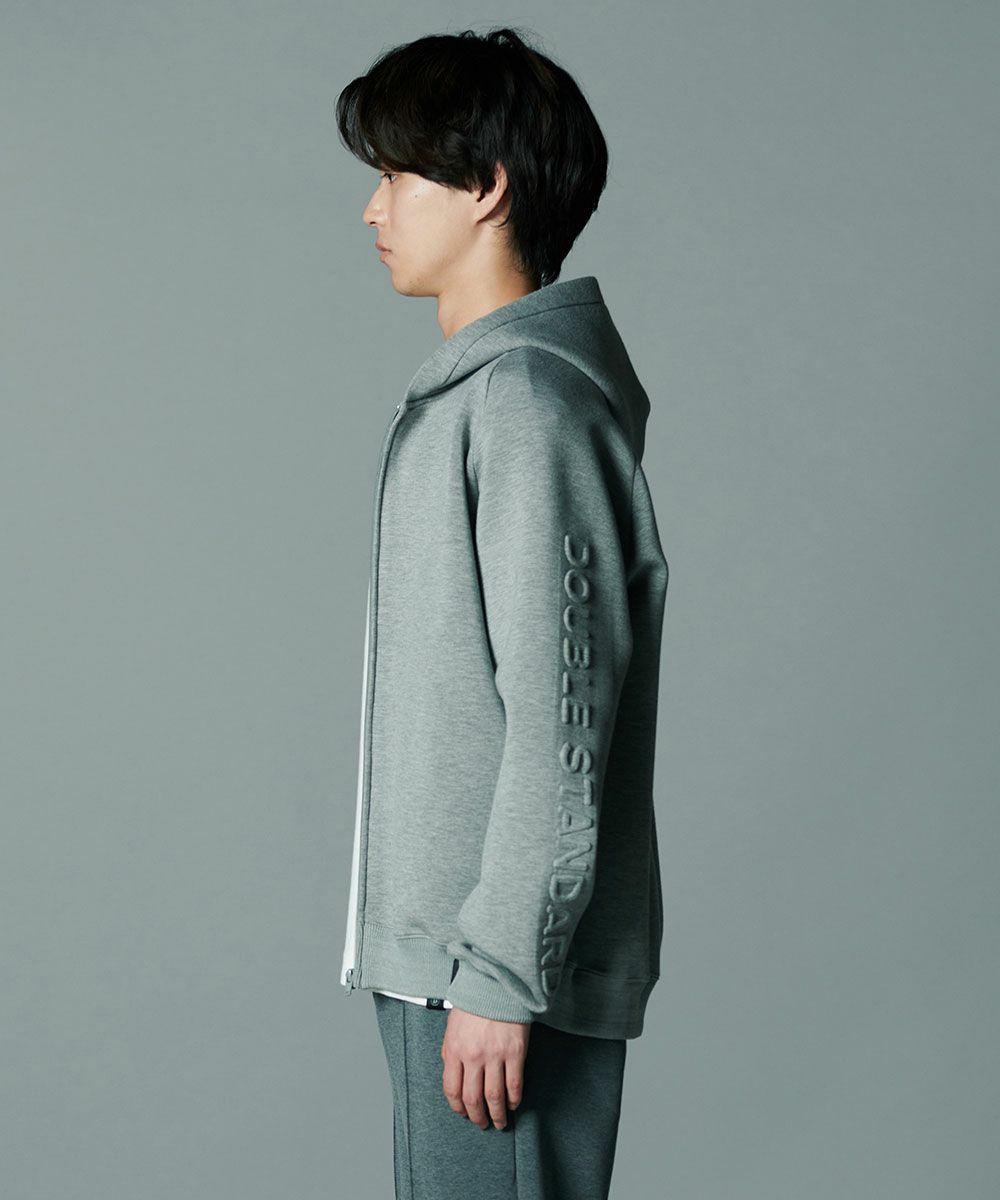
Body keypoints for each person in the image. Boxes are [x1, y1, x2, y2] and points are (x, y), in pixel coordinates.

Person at [335, 26, 669, 1200]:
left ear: (484, 187)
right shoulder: (478, 398)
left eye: (397, 173)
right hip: (454, 966)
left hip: (493, 979)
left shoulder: (528, 406)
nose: (373, 208)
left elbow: (560, 721)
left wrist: (500, 975)